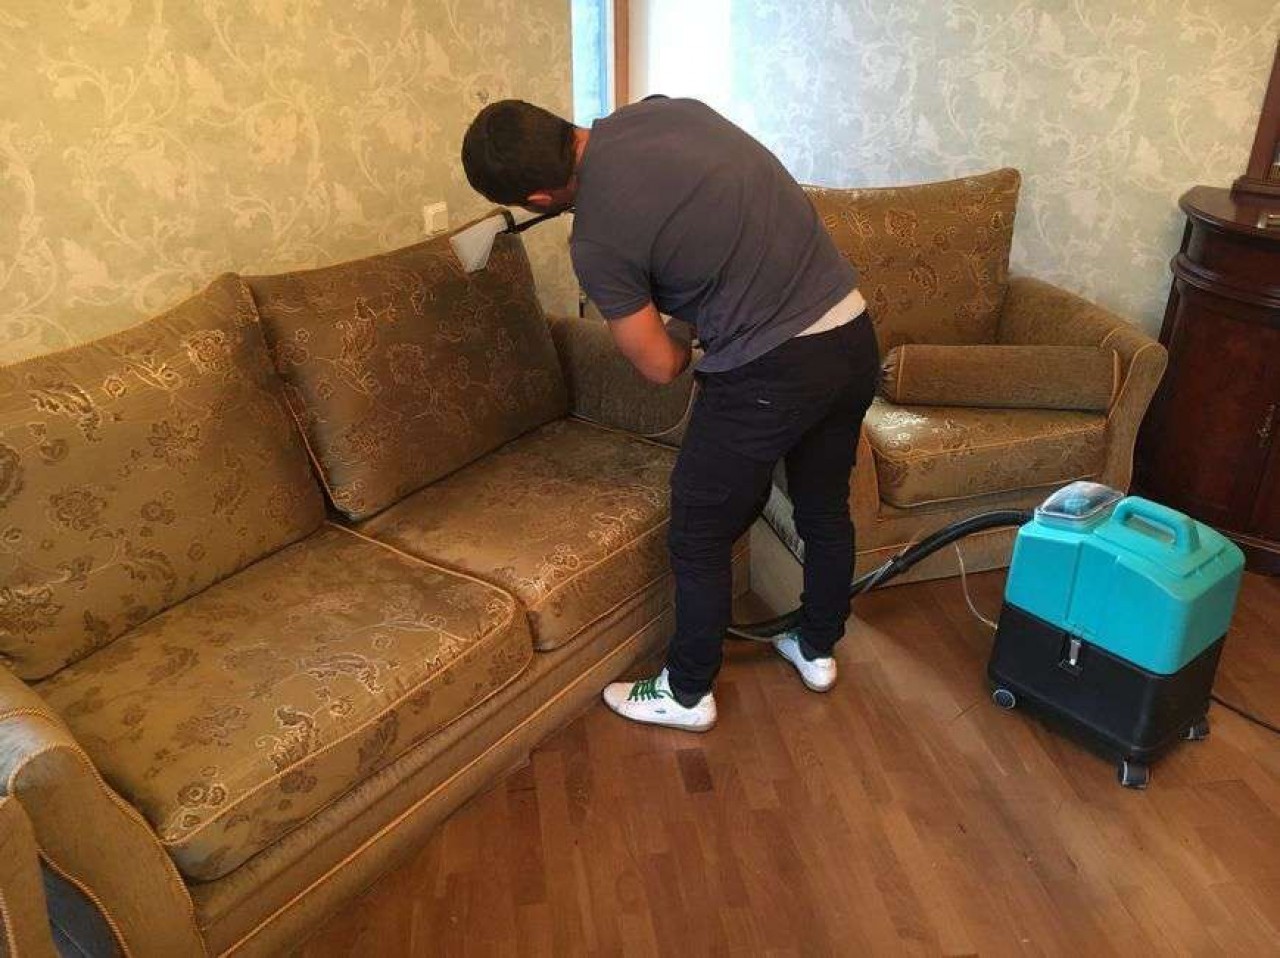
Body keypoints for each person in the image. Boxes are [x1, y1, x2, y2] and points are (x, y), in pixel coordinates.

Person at [461, 96, 880, 732]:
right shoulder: (665, 109)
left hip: (771, 371)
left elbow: (660, 366)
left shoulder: (597, 241)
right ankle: (818, 647)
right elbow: (714, 226)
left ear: (540, 200)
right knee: (822, 506)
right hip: (850, 330)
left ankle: (686, 693)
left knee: (698, 531)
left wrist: (682, 333)